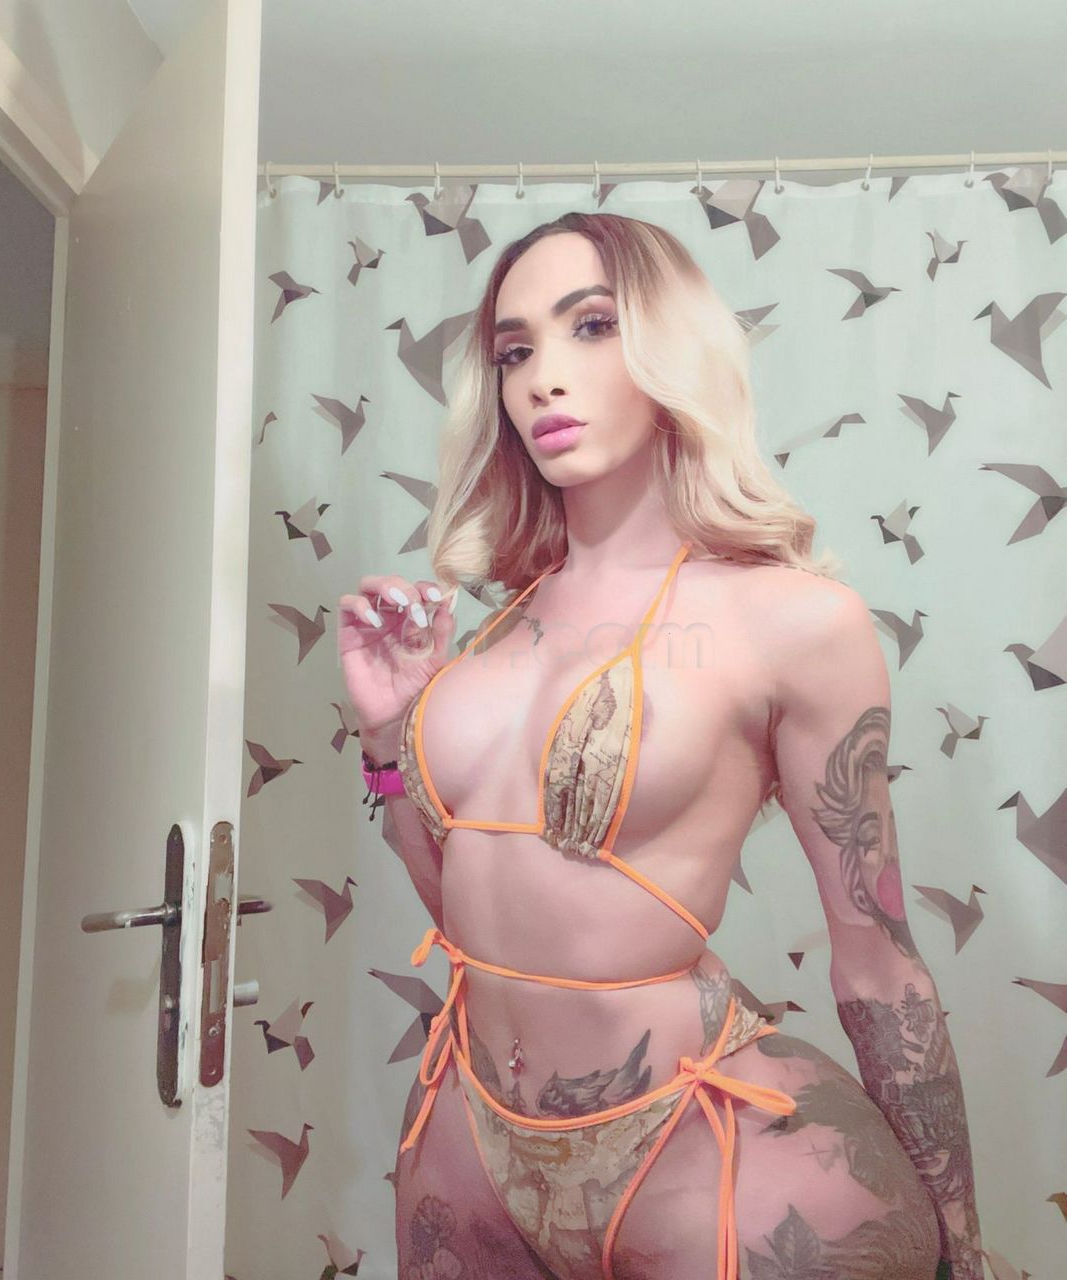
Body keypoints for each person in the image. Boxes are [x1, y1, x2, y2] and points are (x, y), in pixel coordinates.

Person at [337, 212, 985, 1280]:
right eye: (514, 351)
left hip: (700, 1146)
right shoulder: (494, 631)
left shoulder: (792, 619)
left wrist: (964, 1245)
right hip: (469, 1133)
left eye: (591, 326)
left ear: (671, 345)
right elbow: (467, 920)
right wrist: (385, 730)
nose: (544, 377)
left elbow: (876, 958)